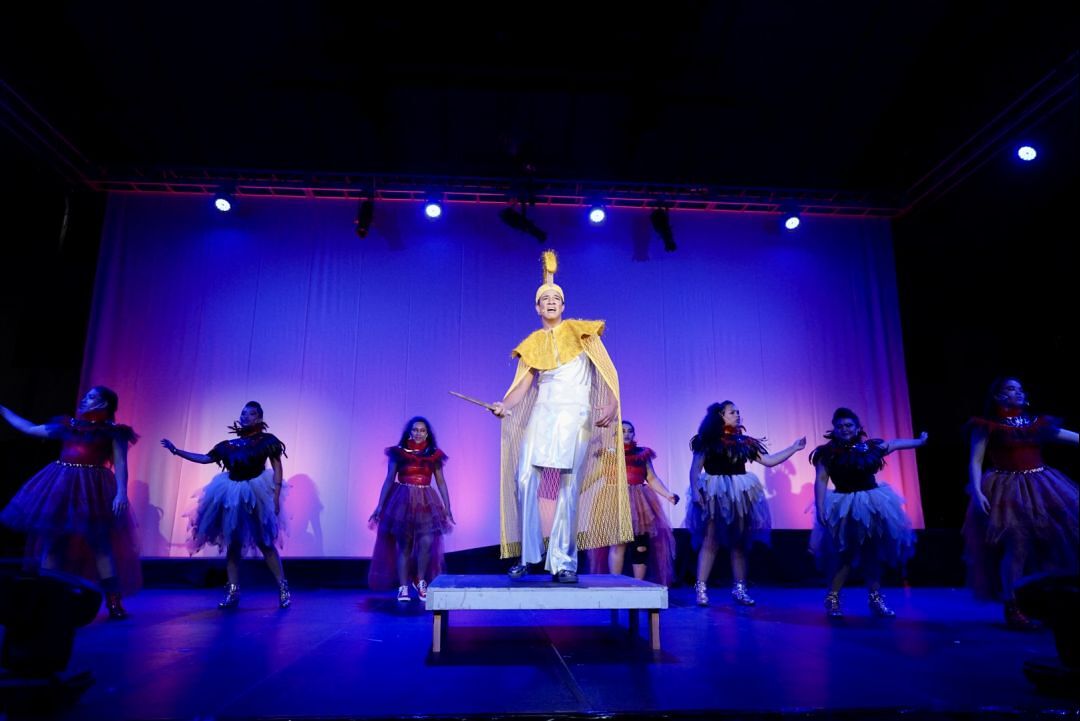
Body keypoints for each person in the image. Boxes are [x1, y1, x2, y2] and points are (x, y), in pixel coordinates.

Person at [490, 250, 633, 583]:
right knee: (525, 478)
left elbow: (608, 372)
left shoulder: (583, 333)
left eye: (556, 298)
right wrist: (505, 405)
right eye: (545, 299)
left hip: (575, 415)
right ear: (537, 308)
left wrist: (613, 403)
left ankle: (564, 561)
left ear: (564, 305)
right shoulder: (533, 344)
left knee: (569, 485)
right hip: (543, 413)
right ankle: (528, 555)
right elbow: (522, 385)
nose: (551, 302)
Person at [0, 387, 141, 619]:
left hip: (93, 490)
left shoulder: (114, 432)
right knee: (53, 543)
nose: (85, 399)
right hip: (61, 487)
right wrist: (3, 410)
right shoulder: (69, 425)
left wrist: (121, 493)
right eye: (85, 396)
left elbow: (121, 464)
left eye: (91, 397)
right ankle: (45, 598)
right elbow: (29, 429)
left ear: (104, 403)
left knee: (100, 546)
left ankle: (114, 601)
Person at [963, 377, 1079, 630]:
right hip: (1007, 489)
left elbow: (1073, 438)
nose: (1016, 392)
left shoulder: (1036, 424)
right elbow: (975, 460)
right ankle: (1012, 605)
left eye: (1019, 389)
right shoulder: (987, 426)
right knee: (1017, 546)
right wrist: (977, 491)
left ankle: (1047, 603)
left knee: (1051, 544)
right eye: (1009, 389)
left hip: (1043, 485)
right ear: (998, 396)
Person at [161, 401, 290, 609]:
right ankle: (233, 592)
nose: (245, 416)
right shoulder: (228, 445)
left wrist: (275, 497)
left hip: (256, 492)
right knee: (233, 543)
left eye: (251, 413)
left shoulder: (267, 441)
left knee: (264, 542)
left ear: (259, 418)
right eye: (243, 413)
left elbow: (277, 467)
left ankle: (283, 588)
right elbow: (205, 458)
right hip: (232, 494)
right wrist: (176, 451)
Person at [687, 401, 806, 606]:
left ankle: (740, 589)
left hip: (739, 493)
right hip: (716, 492)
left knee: (739, 542)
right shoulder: (707, 440)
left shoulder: (744, 442)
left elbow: (768, 460)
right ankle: (701, 587)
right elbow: (695, 469)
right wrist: (696, 491)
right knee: (711, 540)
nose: (737, 415)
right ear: (720, 415)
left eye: (738, 412)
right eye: (732, 412)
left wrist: (793, 448)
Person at [810, 407, 924, 617]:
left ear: (857, 428)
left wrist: (919, 441)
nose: (844, 429)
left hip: (871, 504)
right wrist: (820, 506)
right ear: (834, 429)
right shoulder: (827, 453)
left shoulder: (869, 448)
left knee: (871, 554)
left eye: (849, 425)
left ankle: (876, 600)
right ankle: (832, 599)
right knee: (845, 554)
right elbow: (821, 479)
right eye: (840, 426)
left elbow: (894, 444)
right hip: (844, 506)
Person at [368, 416, 454, 601]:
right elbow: (389, 480)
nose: (418, 433)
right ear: (409, 432)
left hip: (426, 501)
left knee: (426, 543)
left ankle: (421, 581)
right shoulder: (399, 453)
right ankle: (403, 586)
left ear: (427, 434)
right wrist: (380, 505)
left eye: (422, 430)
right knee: (405, 545)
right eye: (415, 430)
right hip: (403, 500)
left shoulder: (433, 454)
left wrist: (448, 506)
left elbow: (441, 481)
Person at [589, 420, 678, 584]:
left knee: (641, 545)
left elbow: (652, 478)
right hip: (616, 501)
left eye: (630, 431)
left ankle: (639, 585)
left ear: (634, 434)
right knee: (618, 544)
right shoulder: (607, 454)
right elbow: (594, 476)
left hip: (639, 502)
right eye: (622, 431)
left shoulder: (642, 454)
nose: (627, 434)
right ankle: (615, 585)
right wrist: (577, 491)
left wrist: (667, 494)